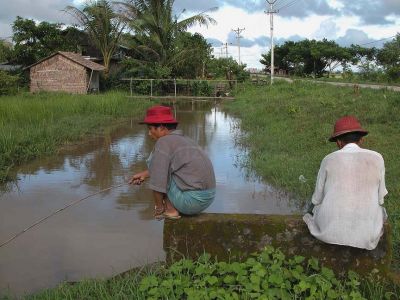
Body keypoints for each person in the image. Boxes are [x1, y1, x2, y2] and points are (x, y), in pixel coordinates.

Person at [303, 116, 388, 250]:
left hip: (328, 233)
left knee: (313, 212)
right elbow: (380, 198)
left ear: (338, 142)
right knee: (381, 211)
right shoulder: (377, 158)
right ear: (361, 139)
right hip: (367, 237)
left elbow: (317, 198)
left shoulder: (328, 159)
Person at [129, 105, 216, 220]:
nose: (149, 134)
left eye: (150, 129)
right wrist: (145, 174)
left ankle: (170, 209)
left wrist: (159, 209)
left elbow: (158, 179)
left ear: (161, 127)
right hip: (208, 197)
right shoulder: (185, 140)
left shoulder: (163, 142)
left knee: (154, 162)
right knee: (160, 167)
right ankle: (173, 206)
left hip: (190, 201)